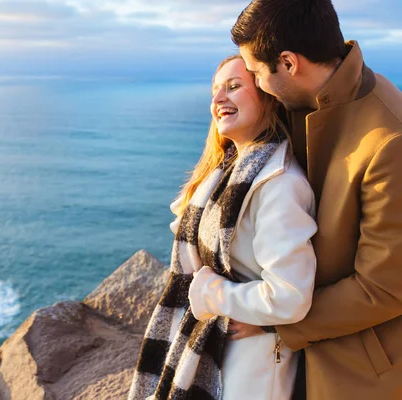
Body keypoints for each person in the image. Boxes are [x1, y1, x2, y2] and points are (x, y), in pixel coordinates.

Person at [229, 0, 402, 398]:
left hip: (356, 373)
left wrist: (274, 320)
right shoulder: (302, 101)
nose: (255, 84)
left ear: (289, 63)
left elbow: (383, 289)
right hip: (294, 361)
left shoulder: (389, 142)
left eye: (255, 72)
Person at [128, 55, 317, 400]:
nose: (218, 99)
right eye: (215, 90)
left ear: (267, 97)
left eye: (234, 87)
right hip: (219, 349)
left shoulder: (278, 183)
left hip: (252, 365)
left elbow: (289, 296)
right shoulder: (226, 174)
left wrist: (212, 296)